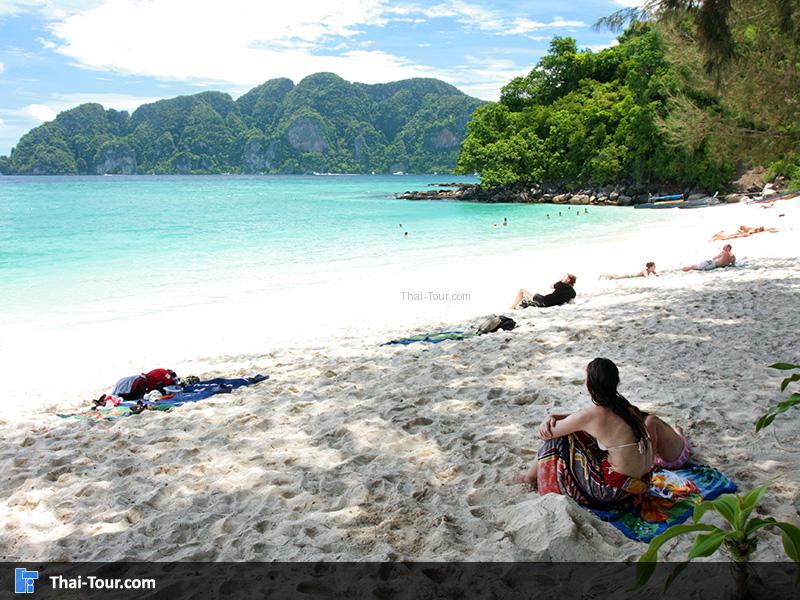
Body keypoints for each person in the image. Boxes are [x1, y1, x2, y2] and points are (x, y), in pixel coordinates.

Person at [513, 358, 652, 508]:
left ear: (588, 384)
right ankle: (530, 476)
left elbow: (546, 434)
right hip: (639, 489)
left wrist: (548, 420)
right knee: (577, 431)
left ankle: (529, 478)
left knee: (556, 441)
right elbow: (578, 418)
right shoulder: (626, 407)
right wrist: (552, 416)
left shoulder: (593, 415)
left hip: (615, 494)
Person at [511, 274, 576, 309]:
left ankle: (513, 307)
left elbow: (551, 286)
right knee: (535, 294)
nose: (563, 277)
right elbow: (570, 302)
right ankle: (528, 302)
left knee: (522, 290)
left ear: (568, 280)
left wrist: (561, 280)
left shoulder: (561, 285)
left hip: (543, 301)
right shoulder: (573, 293)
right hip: (549, 304)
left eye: (565, 277)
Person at [711, 225, 777, 240]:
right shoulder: (752, 229)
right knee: (731, 235)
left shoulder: (752, 230)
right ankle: (716, 236)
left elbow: (769, 229)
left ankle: (716, 236)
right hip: (744, 232)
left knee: (730, 235)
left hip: (744, 233)